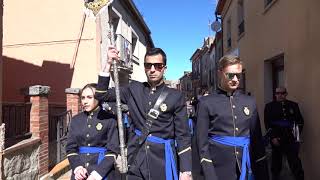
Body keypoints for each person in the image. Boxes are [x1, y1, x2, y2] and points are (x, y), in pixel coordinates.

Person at [95, 47, 192, 180]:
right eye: (148, 65)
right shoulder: (133, 89)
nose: (152, 69)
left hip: (162, 160)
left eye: (158, 66)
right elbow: (101, 94)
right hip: (136, 157)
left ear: (165, 68)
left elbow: (183, 135)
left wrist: (186, 170)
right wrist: (108, 64)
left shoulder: (176, 96)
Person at [196, 55, 269, 180]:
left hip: (246, 167)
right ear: (220, 73)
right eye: (230, 75)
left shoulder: (249, 102)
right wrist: (209, 175)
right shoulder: (206, 102)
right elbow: (201, 144)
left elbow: (257, 140)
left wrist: (262, 172)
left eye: (238, 75)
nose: (235, 79)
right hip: (219, 169)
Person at [66, 83, 120, 180]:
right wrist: (78, 168)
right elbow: (71, 148)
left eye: (89, 97)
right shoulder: (76, 120)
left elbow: (112, 151)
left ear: (98, 98)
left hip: (102, 172)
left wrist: (97, 174)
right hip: (80, 173)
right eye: (83, 98)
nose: (85, 101)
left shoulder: (110, 119)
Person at [264, 87, 304, 180]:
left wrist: (296, 136)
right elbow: (267, 123)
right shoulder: (269, 106)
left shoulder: (293, 105)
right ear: (275, 95)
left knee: (295, 163)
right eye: (278, 93)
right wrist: (273, 137)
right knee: (276, 163)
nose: (280, 95)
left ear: (286, 94)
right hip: (276, 138)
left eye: (282, 93)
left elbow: (300, 121)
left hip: (290, 138)